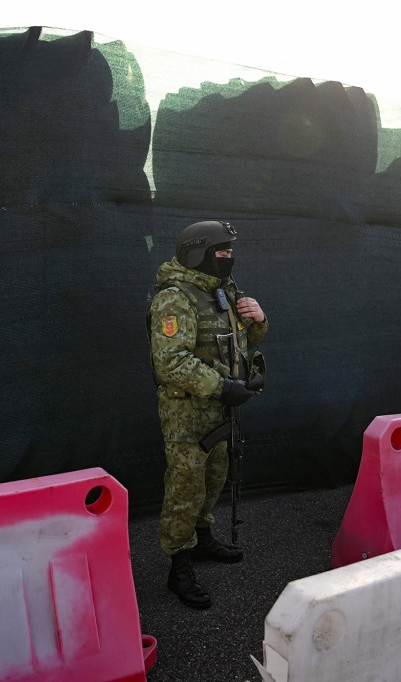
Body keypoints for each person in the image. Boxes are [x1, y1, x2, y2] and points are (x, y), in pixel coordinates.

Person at [147, 219, 268, 609]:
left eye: (231, 252)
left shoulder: (223, 291)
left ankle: (201, 539)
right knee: (185, 488)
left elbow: (241, 342)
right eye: (222, 252)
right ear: (199, 253)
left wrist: (259, 320)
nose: (229, 258)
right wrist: (221, 387)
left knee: (214, 477)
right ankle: (179, 564)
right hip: (188, 412)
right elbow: (171, 361)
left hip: (221, 408)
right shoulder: (175, 298)